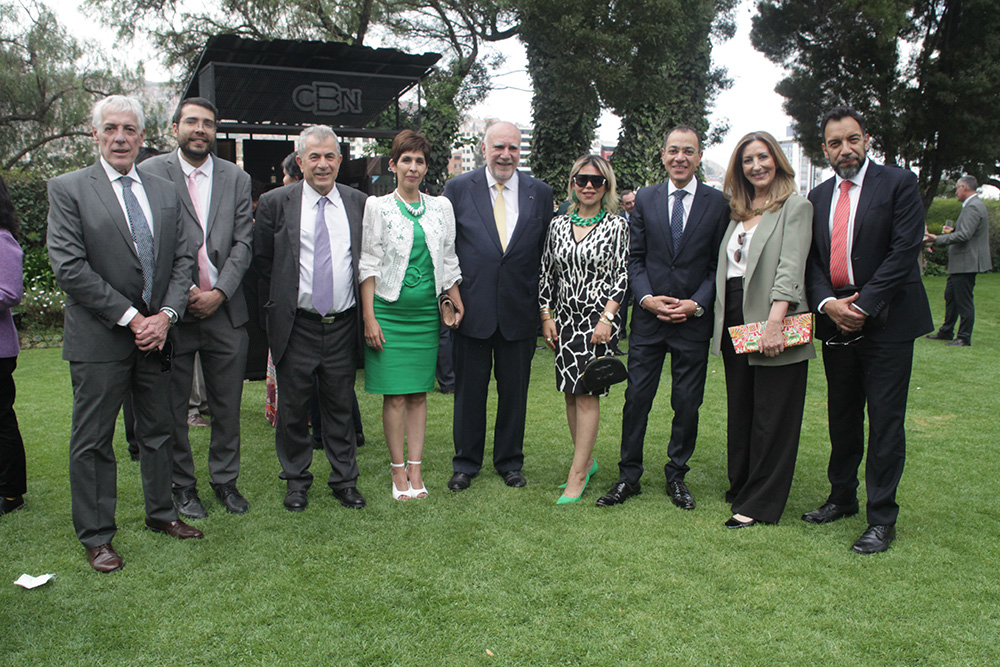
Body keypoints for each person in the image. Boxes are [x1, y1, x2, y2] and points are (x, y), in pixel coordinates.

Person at [47, 95, 203, 573]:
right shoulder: (68, 188)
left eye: (129, 129)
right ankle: (97, 536)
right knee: (93, 439)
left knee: (159, 431)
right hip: (100, 340)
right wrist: (134, 319)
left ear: (142, 136)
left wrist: (167, 316)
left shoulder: (161, 187)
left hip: (157, 337)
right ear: (94, 134)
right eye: (110, 128)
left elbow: (182, 258)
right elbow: (69, 268)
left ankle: (161, 514)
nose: (120, 137)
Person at [803, 106, 933, 554]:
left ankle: (881, 518)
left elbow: (904, 250)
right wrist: (828, 305)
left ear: (867, 139)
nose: (845, 149)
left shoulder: (897, 183)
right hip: (836, 319)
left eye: (852, 139)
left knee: (884, 421)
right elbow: (813, 262)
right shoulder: (817, 198)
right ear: (825, 150)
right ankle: (841, 497)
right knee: (842, 415)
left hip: (889, 322)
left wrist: (866, 304)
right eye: (835, 143)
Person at [597, 126, 729, 508]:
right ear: (663, 154)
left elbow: (715, 264)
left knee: (687, 402)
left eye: (688, 151)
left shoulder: (716, 203)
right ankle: (629, 476)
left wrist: (696, 303)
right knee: (637, 397)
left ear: (699, 157)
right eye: (674, 150)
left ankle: (677, 476)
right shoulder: (647, 200)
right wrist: (647, 298)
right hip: (650, 321)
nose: (680, 158)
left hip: (692, 320)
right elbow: (635, 259)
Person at [142, 97, 253, 519]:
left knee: (226, 405)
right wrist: (182, 292)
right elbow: (149, 242)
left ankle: (225, 481)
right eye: (192, 122)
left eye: (208, 123)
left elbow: (245, 241)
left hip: (225, 311)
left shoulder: (236, 178)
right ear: (175, 128)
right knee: (173, 407)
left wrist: (220, 292)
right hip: (173, 314)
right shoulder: (152, 173)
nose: (200, 129)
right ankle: (182, 487)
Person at [253, 125, 369, 511]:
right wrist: (271, 320)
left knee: (339, 406)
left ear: (340, 160)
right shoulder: (274, 203)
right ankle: (296, 481)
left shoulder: (358, 202)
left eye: (329, 156)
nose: (322, 164)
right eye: (314, 157)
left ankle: (344, 481)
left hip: (341, 324)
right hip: (295, 324)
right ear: (300, 161)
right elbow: (263, 267)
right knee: (292, 410)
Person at [443, 121, 554, 492]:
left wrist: (544, 311)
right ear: (484, 148)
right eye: (499, 147)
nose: (506, 154)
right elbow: (447, 248)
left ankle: (510, 462)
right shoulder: (458, 189)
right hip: (470, 311)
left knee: (514, 394)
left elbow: (544, 256)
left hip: (518, 311)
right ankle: (465, 463)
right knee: (469, 393)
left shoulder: (540, 192)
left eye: (513, 148)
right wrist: (451, 293)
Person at [711, 131, 815, 528]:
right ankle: (742, 485)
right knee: (743, 409)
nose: (756, 166)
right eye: (748, 160)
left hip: (775, 316)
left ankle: (760, 504)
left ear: (778, 161)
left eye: (763, 157)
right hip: (736, 318)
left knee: (774, 413)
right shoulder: (738, 211)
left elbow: (791, 267)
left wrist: (775, 322)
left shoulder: (796, 206)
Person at [360, 130, 463, 500]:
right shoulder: (378, 206)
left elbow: (448, 258)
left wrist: (455, 297)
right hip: (389, 313)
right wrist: (369, 318)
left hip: (426, 315)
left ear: (425, 166)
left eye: (419, 160)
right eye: (406, 160)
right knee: (395, 397)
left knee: (419, 394)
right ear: (393, 165)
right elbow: (368, 264)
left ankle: (417, 470)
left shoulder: (441, 207)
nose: (413, 167)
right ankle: (397, 471)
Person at [539, 155, 628, 504]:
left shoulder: (616, 225)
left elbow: (622, 275)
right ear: (572, 182)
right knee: (570, 392)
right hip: (564, 318)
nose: (589, 186)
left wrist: (607, 319)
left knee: (587, 393)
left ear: (606, 186)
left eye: (597, 180)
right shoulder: (557, 224)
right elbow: (547, 273)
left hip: (596, 322)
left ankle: (577, 475)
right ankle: (586, 461)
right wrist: (546, 316)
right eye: (582, 179)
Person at [925, 175, 993, 346]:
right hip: (962, 262)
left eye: (957, 188)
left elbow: (964, 235)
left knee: (963, 300)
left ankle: (963, 337)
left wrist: (937, 238)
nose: (956, 191)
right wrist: (952, 230)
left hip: (966, 262)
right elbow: (965, 231)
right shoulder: (973, 205)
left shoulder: (973, 207)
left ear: (964, 187)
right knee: (951, 296)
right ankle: (947, 331)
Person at [0, 174, 26, 517]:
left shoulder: (3, 239)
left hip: (0, 350)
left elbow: (9, 292)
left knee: (1, 419)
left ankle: (11, 492)